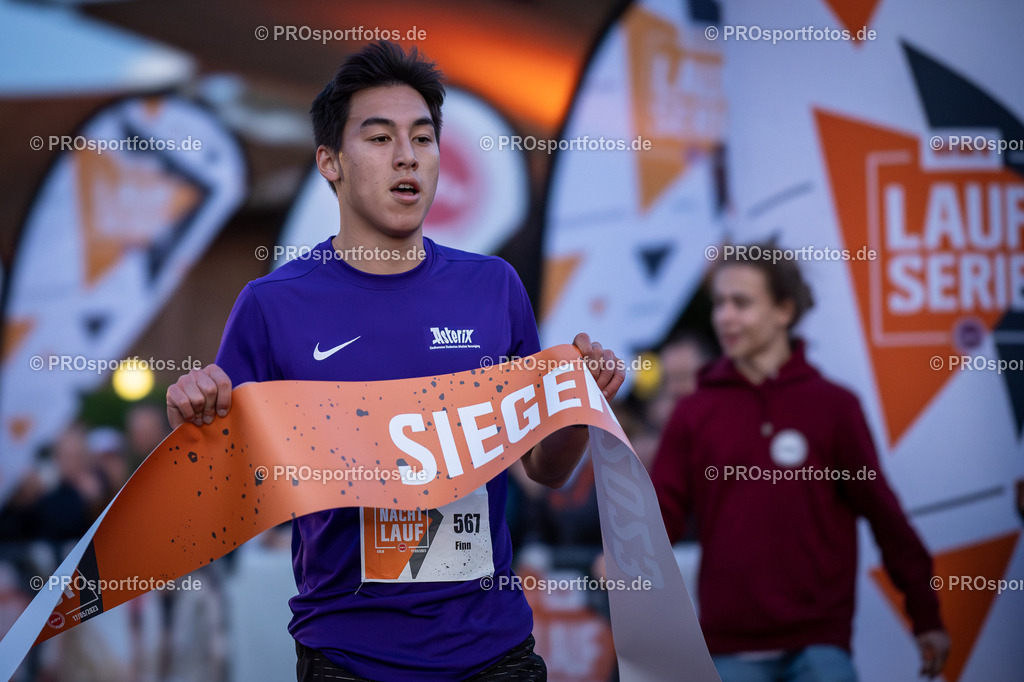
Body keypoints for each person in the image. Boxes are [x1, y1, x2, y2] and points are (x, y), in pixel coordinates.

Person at [165, 41, 624, 682]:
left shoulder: (493, 288)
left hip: (493, 650)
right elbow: (226, 489)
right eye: (379, 138)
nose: (408, 155)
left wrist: (578, 401)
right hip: (348, 656)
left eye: (424, 138)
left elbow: (544, 470)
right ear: (331, 162)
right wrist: (194, 412)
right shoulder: (271, 305)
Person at [650, 245, 950, 681]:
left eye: (742, 303)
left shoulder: (834, 407)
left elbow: (887, 519)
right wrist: (621, 561)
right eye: (719, 303)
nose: (724, 317)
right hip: (728, 650)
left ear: (784, 310)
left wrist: (927, 617)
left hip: (820, 645)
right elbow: (659, 520)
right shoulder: (693, 412)